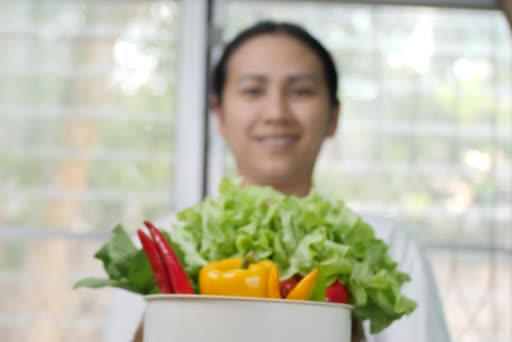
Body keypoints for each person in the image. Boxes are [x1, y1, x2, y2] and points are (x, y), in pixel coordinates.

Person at [103, 21, 451, 342]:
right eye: (253, 91)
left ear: (333, 116)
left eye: (301, 91)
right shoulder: (159, 247)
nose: (276, 113)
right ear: (219, 115)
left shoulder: (389, 246)